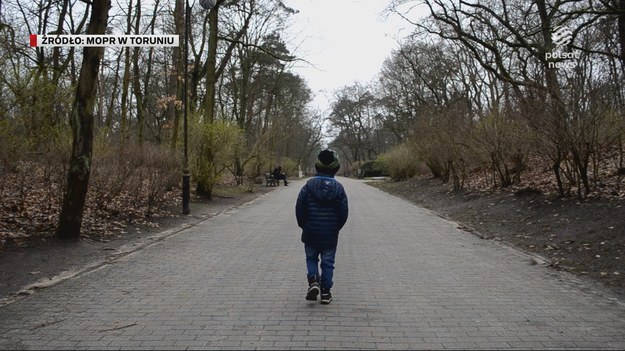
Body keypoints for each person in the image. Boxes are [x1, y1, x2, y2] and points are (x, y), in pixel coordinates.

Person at [295, 149, 349, 304]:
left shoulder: (308, 186)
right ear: (335, 168)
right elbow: (343, 213)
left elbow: (299, 208)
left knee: (311, 258)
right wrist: (335, 227)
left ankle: (313, 281)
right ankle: (326, 292)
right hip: (330, 234)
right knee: (328, 262)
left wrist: (303, 225)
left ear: (317, 166)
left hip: (311, 231)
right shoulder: (339, 189)